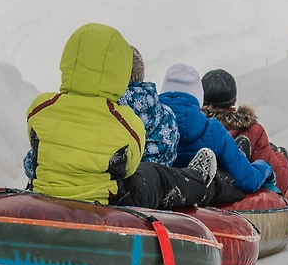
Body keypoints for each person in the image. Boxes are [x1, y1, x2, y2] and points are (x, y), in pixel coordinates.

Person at [25, 24, 217, 210]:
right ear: (120, 71)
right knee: (154, 174)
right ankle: (197, 180)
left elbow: (34, 154)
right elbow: (130, 167)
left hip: (44, 194)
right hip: (104, 203)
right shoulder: (126, 121)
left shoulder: (40, 106)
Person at [159, 63, 275, 205]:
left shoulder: (150, 124)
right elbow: (248, 180)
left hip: (155, 195)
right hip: (205, 205)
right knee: (226, 178)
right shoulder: (212, 129)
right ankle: (199, 178)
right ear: (198, 96)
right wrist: (264, 166)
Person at [201, 69, 288, 191]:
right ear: (233, 100)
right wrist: (280, 156)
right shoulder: (252, 131)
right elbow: (279, 185)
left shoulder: (194, 127)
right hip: (242, 204)